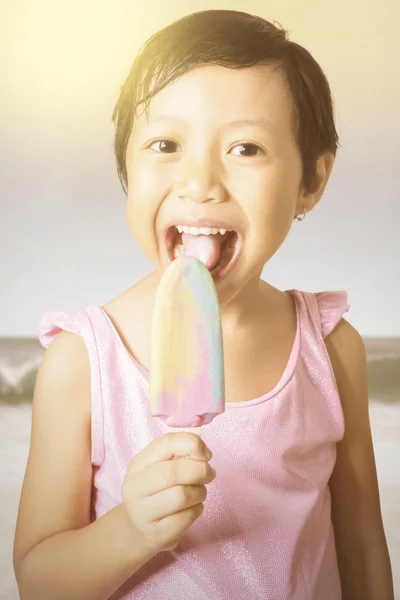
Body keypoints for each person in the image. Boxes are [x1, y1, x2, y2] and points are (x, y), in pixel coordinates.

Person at [13, 9, 394, 600]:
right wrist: (131, 530)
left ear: (311, 183)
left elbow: (363, 541)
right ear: (126, 169)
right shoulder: (83, 363)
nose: (201, 182)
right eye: (165, 144)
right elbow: (39, 581)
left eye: (246, 148)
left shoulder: (329, 349)